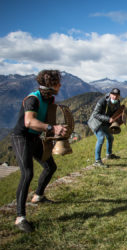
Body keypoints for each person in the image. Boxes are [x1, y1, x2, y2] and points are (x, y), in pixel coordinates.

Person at [11, 70, 68, 232]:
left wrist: (57, 133)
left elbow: (46, 120)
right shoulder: (33, 99)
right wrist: (52, 128)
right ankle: (20, 217)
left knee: (50, 167)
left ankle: (38, 196)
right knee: (27, 173)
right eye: (57, 83)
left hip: (35, 138)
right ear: (50, 85)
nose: (60, 85)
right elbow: (29, 122)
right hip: (22, 138)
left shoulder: (49, 99)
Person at [88, 88, 122, 167]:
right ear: (110, 94)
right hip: (96, 123)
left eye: (117, 96)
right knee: (101, 138)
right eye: (113, 95)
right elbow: (95, 114)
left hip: (105, 123)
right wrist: (108, 119)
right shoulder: (102, 101)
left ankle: (109, 154)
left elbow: (115, 113)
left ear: (119, 96)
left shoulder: (118, 102)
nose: (114, 97)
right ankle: (97, 161)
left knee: (110, 137)